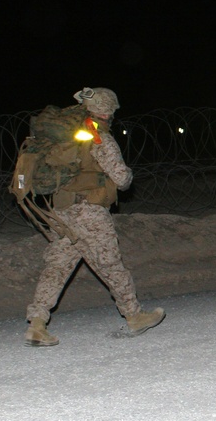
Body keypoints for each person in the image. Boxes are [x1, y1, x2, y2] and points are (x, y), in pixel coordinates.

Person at [24, 87, 165, 347]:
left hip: (61, 211)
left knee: (57, 266)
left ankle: (36, 323)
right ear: (107, 111)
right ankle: (134, 316)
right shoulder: (97, 136)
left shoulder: (64, 135)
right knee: (111, 264)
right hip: (89, 212)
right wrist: (128, 175)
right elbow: (121, 179)